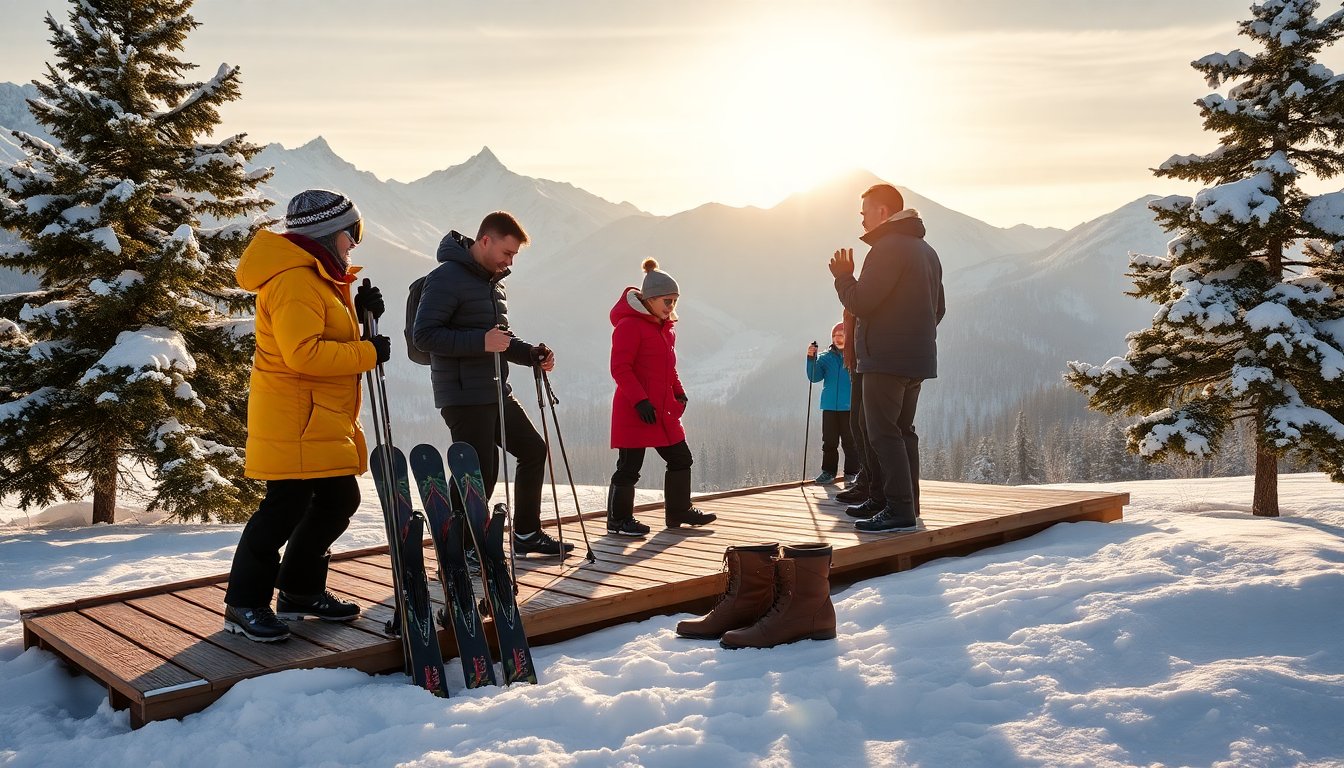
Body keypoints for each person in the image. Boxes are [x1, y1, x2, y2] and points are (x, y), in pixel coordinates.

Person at [224, 189, 390, 642]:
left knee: (338, 500)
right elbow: (304, 354)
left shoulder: (312, 276)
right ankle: (244, 603)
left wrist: (360, 315)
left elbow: (319, 330)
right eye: (352, 232)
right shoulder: (294, 280)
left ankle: (299, 592)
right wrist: (367, 352)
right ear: (327, 234)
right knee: (283, 509)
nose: (355, 242)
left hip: (313, 418)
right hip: (295, 418)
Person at [412, 211, 572, 556]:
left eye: (514, 255)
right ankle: (462, 547)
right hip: (463, 395)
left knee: (532, 450)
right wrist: (481, 343)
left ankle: (526, 534)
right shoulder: (446, 278)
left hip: (496, 389)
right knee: (478, 473)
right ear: (485, 241)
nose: (510, 260)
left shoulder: (491, 281)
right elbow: (424, 335)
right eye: (507, 252)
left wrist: (531, 353)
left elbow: (498, 338)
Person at [829, 183, 945, 533]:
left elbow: (862, 302)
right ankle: (898, 502)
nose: (861, 218)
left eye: (864, 210)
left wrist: (843, 278)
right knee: (901, 431)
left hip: (885, 359)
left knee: (882, 433)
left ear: (883, 212)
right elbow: (938, 308)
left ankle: (898, 510)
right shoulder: (926, 251)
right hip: (915, 358)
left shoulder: (887, 249)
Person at [607, 258, 717, 535]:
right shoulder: (629, 326)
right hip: (636, 409)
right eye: (667, 301)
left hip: (662, 409)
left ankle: (679, 512)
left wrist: (679, 393)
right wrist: (640, 401)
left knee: (681, 458)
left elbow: (669, 368)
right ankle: (618, 521)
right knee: (629, 467)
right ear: (650, 299)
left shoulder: (665, 329)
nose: (671, 307)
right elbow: (620, 368)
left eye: (674, 302)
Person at [806, 321, 861, 485]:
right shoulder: (824, 358)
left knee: (850, 441)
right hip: (829, 406)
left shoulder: (855, 356)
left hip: (849, 406)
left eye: (842, 335)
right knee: (829, 442)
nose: (839, 338)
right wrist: (811, 359)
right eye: (836, 335)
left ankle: (852, 473)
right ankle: (828, 472)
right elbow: (814, 377)